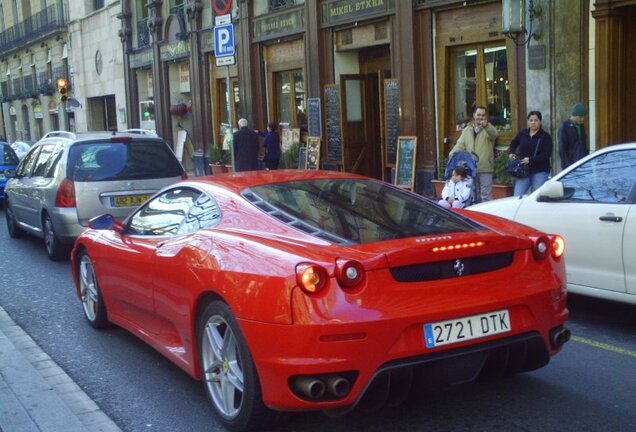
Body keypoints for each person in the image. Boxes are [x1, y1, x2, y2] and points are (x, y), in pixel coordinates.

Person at [449, 105, 497, 203]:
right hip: (471, 168)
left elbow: (494, 135)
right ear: (474, 115)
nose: (480, 117)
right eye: (478, 114)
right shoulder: (467, 129)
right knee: (473, 195)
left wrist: (486, 126)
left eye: (483, 115)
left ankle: (486, 216)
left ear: (486, 117)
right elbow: (461, 143)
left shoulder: (489, 129)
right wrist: (453, 152)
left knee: (486, 195)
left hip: (485, 167)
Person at [508, 111, 553, 196]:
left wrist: (531, 160)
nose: (533, 122)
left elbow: (547, 154)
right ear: (528, 121)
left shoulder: (545, 137)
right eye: (531, 120)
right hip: (524, 170)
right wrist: (511, 152)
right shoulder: (523, 134)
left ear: (540, 121)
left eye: (536, 120)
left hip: (540, 171)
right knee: (517, 195)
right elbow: (514, 142)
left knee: (536, 197)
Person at [558, 102, 588, 170]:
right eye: (581, 117)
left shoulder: (581, 126)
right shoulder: (564, 127)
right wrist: (568, 167)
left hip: (583, 164)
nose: (583, 119)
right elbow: (562, 149)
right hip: (570, 166)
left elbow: (584, 145)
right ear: (574, 115)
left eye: (583, 117)